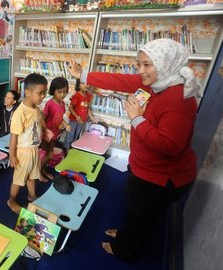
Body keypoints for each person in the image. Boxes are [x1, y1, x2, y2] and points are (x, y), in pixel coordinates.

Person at [68, 38, 199, 260]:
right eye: (138, 64)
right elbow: (119, 79)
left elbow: (169, 146)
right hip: (144, 167)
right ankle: (126, 234)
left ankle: (125, 250)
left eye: (147, 64)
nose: (140, 70)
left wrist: (137, 118)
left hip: (161, 178)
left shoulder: (179, 100)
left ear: (165, 63)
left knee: (141, 217)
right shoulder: (157, 83)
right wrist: (83, 75)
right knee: (133, 208)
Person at [7, 73, 53, 214]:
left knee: (33, 174)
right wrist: (12, 156)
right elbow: (13, 137)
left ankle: (31, 195)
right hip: (23, 151)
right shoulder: (20, 112)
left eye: (44, 93)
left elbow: (40, 120)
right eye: (40, 93)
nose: (43, 96)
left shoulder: (35, 108)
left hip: (33, 149)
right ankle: (11, 200)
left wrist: (46, 130)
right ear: (27, 92)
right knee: (19, 179)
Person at [41, 77, 71, 180]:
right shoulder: (49, 104)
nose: (62, 95)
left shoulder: (62, 104)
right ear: (53, 91)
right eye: (59, 92)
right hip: (46, 134)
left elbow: (60, 117)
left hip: (54, 134)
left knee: (48, 155)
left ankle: (42, 169)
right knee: (49, 155)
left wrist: (66, 125)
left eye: (65, 92)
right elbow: (42, 119)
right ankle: (39, 172)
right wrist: (45, 132)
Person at [63, 79, 96, 149]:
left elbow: (88, 107)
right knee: (70, 134)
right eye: (83, 83)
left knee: (77, 135)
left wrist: (92, 117)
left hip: (82, 120)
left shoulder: (88, 96)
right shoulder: (76, 96)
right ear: (78, 85)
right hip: (74, 120)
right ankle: (66, 149)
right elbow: (70, 108)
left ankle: (72, 148)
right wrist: (77, 117)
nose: (86, 85)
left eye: (87, 83)